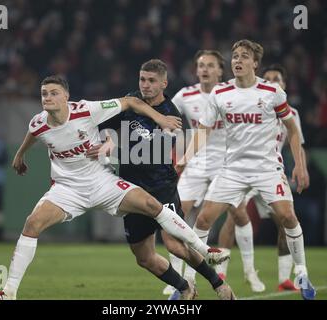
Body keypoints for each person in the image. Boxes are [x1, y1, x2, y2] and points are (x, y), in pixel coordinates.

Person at [0, 75, 229, 300]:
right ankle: (9, 292)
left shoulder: (86, 110)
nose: (47, 98)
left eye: (54, 93)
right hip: (67, 189)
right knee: (32, 223)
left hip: (101, 181)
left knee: (151, 204)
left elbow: (131, 101)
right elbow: (33, 133)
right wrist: (20, 155)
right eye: (44, 94)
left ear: (66, 97)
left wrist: (159, 119)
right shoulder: (38, 122)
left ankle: (205, 250)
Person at [176, 40, 316, 300]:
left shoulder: (272, 91)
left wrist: (299, 164)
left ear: (255, 63)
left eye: (244, 56)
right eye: (235, 56)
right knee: (204, 219)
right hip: (233, 169)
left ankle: (301, 272)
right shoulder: (221, 92)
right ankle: (188, 281)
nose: (237, 60)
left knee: (287, 216)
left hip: (267, 168)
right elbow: (203, 130)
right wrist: (186, 155)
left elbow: (293, 130)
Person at [92, 59, 235, 300]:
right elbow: (105, 124)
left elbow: (147, 152)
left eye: (151, 81)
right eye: (142, 79)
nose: (145, 85)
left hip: (160, 186)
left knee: (174, 244)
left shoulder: (171, 115)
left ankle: (218, 283)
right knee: (144, 257)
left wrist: (116, 145)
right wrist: (107, 138)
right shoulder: (130, 101)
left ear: (163, 83)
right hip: (131, 190)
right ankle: (184, 287)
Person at [166, 50, 265, 295]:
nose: (205, 69)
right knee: (176, 215)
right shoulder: (185, 96)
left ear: (221, 70)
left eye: (210, 65)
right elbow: (167, 117)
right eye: (201, 65)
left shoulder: (231, 94)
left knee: (239, 216)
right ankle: (175, 278)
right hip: (196, 163)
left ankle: (249, 271)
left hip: (227, 163)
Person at [216, 64, 310, 292]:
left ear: (284, 84)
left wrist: (301, 168)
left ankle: (284, 278)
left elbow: (297, 143)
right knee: (233, 217)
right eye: (268, 78)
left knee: (284, 221)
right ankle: (220, 273)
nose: (272, 82)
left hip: (270, 171)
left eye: (277, 78)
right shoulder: (248, 102)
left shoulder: (291, 113)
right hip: (243, 169)